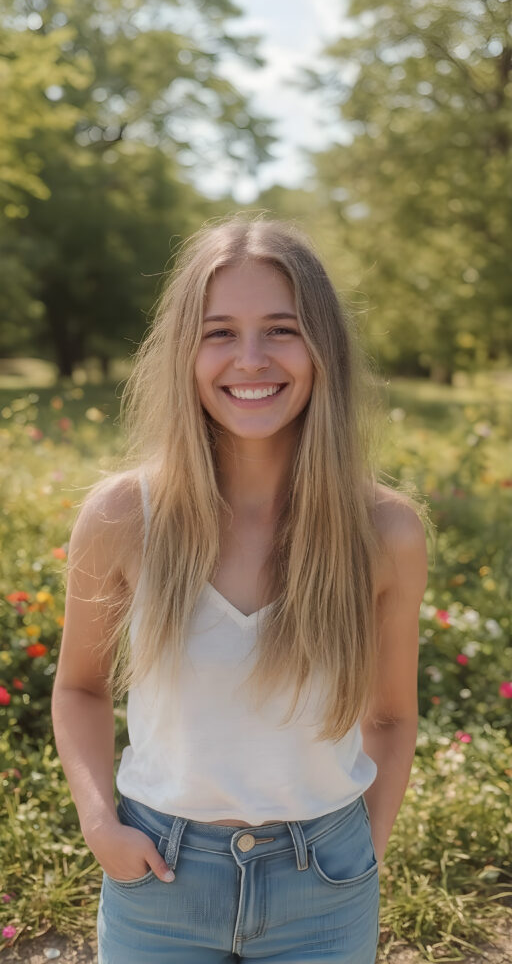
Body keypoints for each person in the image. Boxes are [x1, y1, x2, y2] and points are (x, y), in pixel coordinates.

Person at [52, 214, 429, 964]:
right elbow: (81, 690)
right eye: (219, 332)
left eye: (281, 330)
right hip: (158, 878)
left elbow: (389, 719)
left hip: (323, 881)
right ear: (185, 353)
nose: (250, 359)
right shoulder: (124, 517)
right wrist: (100, 825)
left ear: (323, 348)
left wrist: (362, 860)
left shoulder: (386, 533)